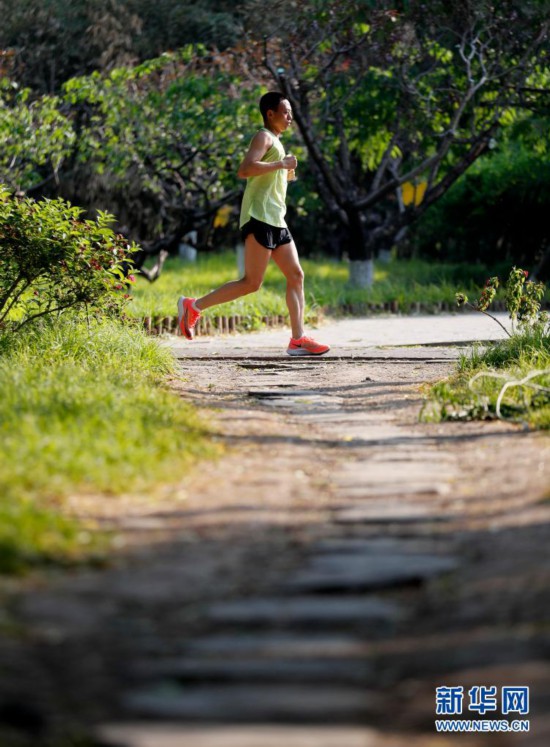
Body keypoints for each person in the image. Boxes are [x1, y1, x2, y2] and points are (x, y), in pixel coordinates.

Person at [177, 91, 329, 356]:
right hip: (259, 217)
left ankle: (298, 339)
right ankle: (193, 306)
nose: (290, 117)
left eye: (290, 112)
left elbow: (266, 177)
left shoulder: (277, 141)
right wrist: (280, 163)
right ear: (270, 114)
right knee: (251, 283)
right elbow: (244, 169)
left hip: (276, 219)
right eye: (285, 112)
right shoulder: (264, 136)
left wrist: (285, 171)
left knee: (296, 275)